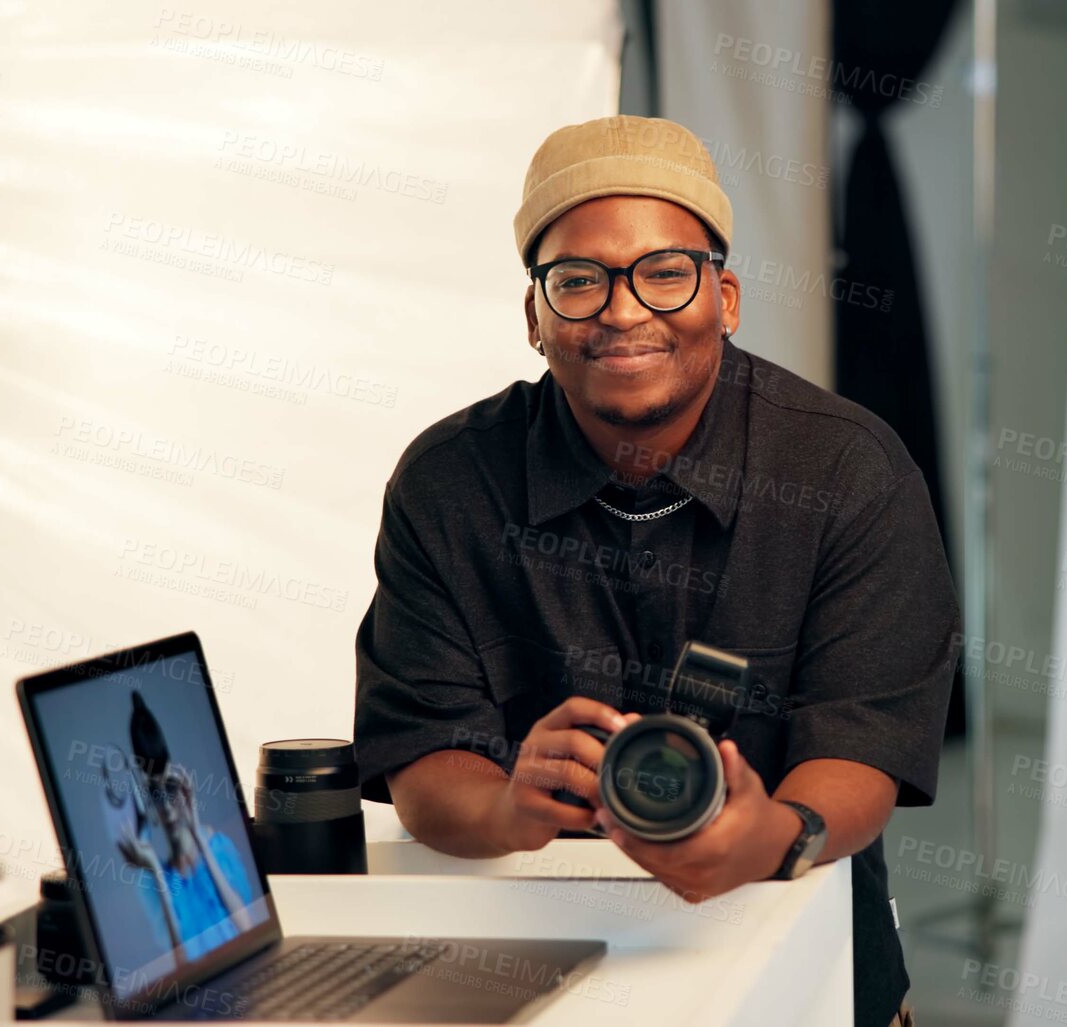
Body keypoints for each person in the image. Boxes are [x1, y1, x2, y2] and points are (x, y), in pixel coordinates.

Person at [353, 114, 957, 1027]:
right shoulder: (450, 484)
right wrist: (508, 808)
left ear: (726, 298)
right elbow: (421, 755)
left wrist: (771, 833)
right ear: (535, 317)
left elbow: (864, 749)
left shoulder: (845, 473)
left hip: (807, 980)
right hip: (540, 983)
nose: (624, 310)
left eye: (666, 272)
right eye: (578, 280)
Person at [114, 692, 255, 961]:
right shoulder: (156, 883)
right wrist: (156, 871)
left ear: (183, 788)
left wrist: (197, 835)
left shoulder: (217, 847)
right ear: (147, 804)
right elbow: (182, 963)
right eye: (155, 794)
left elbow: (246, 928)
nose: (167, 807)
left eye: (170, 788)